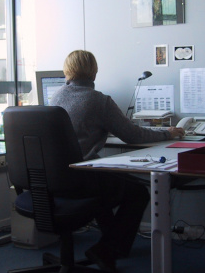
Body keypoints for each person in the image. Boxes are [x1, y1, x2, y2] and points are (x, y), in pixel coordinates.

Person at [50, 50, 184, 272]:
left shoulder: (55, 98)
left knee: (108, 186)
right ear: (94, 73)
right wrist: (167, 133)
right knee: (137, 192)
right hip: (81, 179)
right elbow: (132, 135)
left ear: (67, 72)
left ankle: (110, 247)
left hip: (55, 181)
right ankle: (107, 248)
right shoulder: (99, 101)